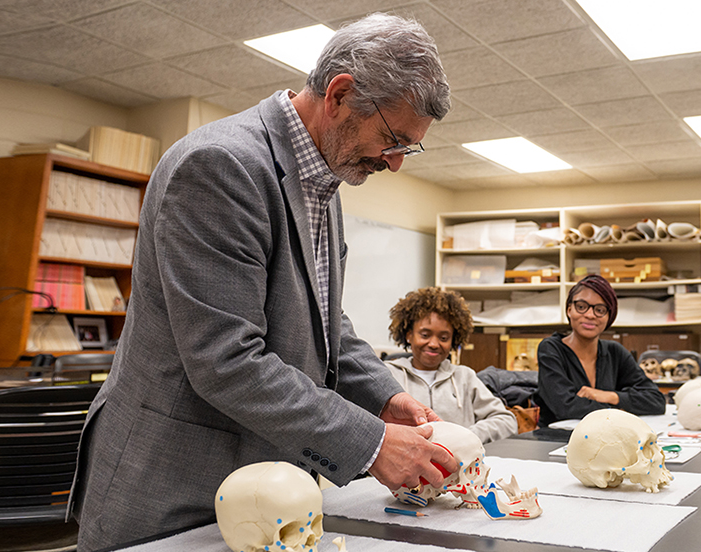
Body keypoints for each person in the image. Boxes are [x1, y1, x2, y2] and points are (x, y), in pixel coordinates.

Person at [70, 13, 456, 551]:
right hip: (178, 480)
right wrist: (370, 445)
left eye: (408, 149)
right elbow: (226, 360)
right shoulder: (221, 166)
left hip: (268, 482)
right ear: (339, 95)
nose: (394, 163)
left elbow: (325, 320)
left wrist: (386, 397)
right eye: (393, 140)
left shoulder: (322, 180)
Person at [385, 287, 518, 444]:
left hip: (459, 464)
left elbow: (506, 421)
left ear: (453, 340)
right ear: (409, 335)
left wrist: (465, 436)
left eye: (443, 337)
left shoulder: (464, 376)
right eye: (425, 335)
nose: (434, 344)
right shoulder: (388, 374)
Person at [534, 275, 665, 425]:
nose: (590, 315)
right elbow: (565, 408)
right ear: (569, 310)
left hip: (607, 439)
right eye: (581, 307)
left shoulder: (615, 352)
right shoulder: (551, 349)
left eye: (600, 310)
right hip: (555, 441)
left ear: (609, 316)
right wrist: (620, 409)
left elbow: (656, 401)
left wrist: (609, 396)